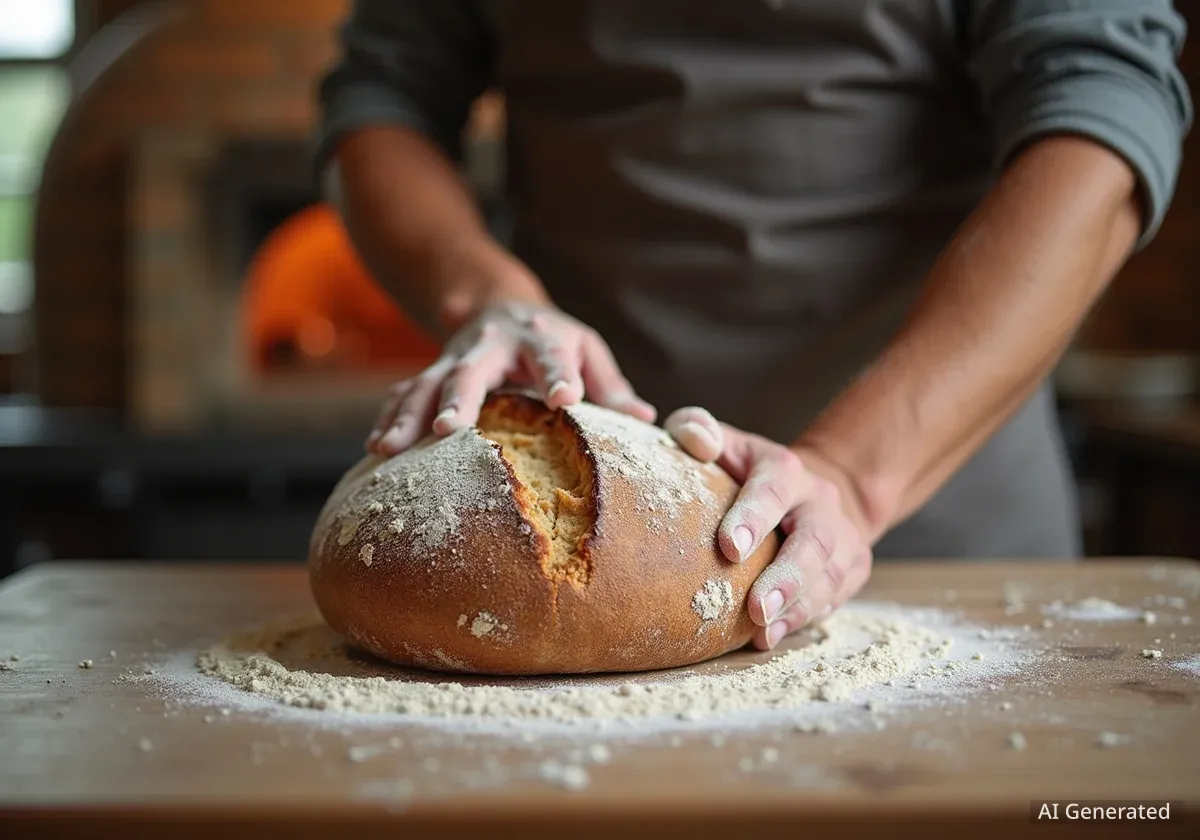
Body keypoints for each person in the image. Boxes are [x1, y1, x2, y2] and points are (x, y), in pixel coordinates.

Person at [315, 1, 1191, 650]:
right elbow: (384, 97)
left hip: (941, 521)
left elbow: (1105, 107)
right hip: (571, 526)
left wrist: (852, 476)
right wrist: (485, 291)